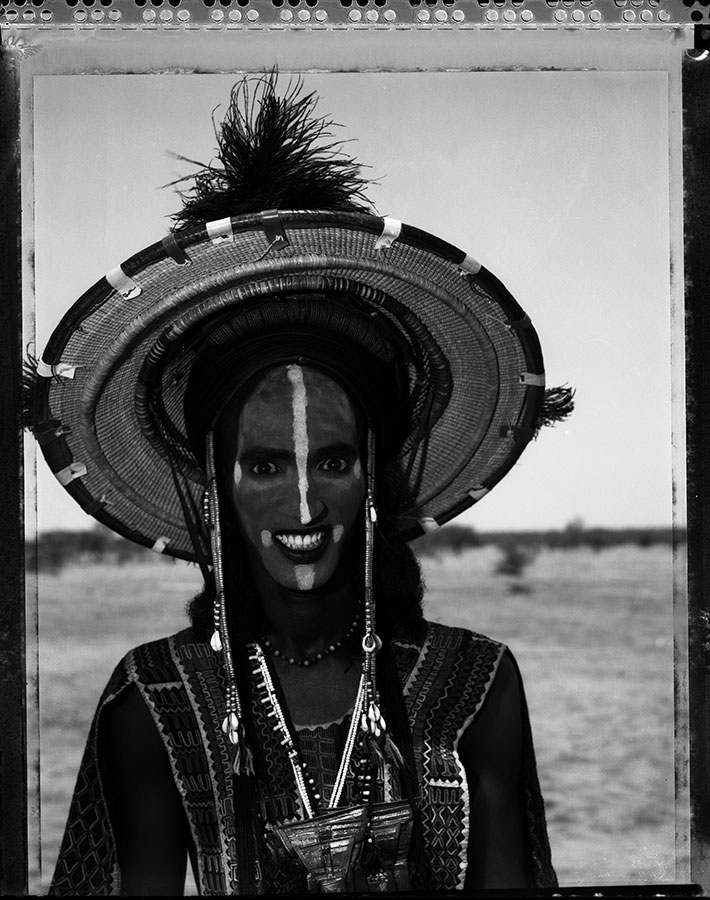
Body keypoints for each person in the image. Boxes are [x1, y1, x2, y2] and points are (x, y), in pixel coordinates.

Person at [26, 74, 571, 894]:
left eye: (335, 462)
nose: (306, 506)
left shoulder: (476, 682)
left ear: (375, 475)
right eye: (266, 465)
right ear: (215, 483)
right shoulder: (156, 701)